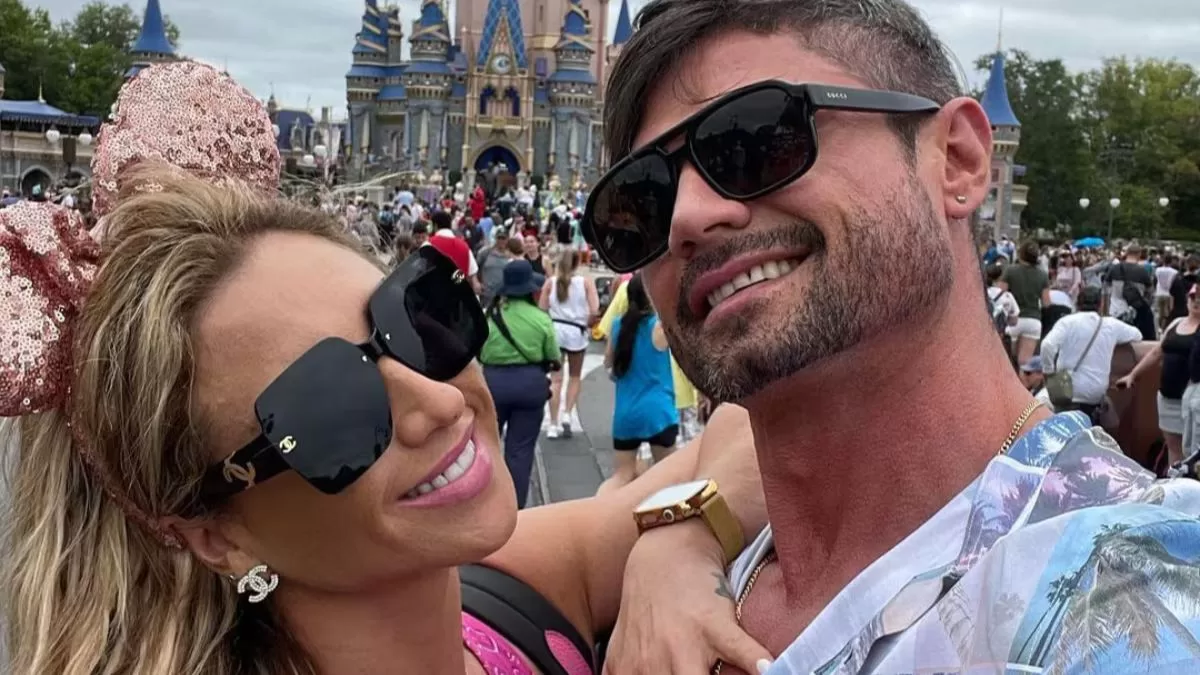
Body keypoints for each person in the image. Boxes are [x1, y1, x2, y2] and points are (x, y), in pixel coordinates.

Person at [0, 61, 777, 675]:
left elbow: (755, 427)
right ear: (213, 534)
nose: (435, 401)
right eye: (329, 407)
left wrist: (679, 543)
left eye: (416, 321)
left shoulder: (506, 590)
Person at [585, 2, 1200, 672]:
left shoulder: (1120, 589)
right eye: (642, 201)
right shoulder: (694, 579)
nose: (686, 217)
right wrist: (680, 535)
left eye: (754, 139)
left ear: (958, 160)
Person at [480, 259, 558, 507]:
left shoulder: (489, 316)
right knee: (520, 451)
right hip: (530, 385)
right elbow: (553, 356)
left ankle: (484, 501)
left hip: (493, 384)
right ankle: (514, 507)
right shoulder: (541, 319)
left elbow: (478, 352)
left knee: (487, 445)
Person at [602, 275, 679, 492]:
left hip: (626, 413)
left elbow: (608, 363)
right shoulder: (660, 328)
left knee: (621, 476)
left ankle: (600, 507)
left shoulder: (618, 326)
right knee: (668, 477)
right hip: (659, 412)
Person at [1040, 287, 1142, 422]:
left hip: (1066, 391)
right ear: (1101, 304)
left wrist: (1048, 373)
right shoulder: (1112, 325)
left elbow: (1047, 345)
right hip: (1094, 394)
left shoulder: (1067, 322)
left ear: (1077, 303)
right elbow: (1137, 335)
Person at [542, 249, 600, 439]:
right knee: (575, 376)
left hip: (555, 330)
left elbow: (542, 309)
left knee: (555, 380)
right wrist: (587, 324)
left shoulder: (550, 283)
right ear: (578, 263)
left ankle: (552, 423)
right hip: (576, 331)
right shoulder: (585, 282)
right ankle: (567, 413)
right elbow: (595, 310)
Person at [997, 240, 1050, 366]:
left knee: (1007, 362)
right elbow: (1046, 302)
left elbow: (1000, 294)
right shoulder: (1043, 275)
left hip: (1012, 320)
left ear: (1021, 254)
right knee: (1024, 363)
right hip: (1033, 320)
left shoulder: (1010, 271)